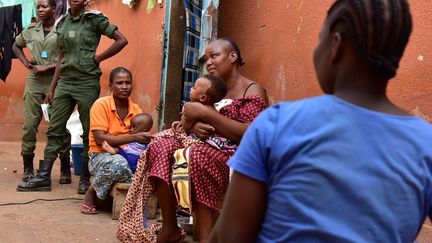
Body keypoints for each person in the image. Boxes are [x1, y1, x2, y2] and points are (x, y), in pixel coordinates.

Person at [210, 1, 432, 242]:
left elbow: (229, 236)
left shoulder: (277, 124)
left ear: (336, 45)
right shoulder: (425, 142)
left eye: (319, 39)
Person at [117, 38, 269, 243]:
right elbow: (187, 121)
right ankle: (170, 227)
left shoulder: (251, 91)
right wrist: (194, 124)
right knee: (161, 146)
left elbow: (252, 135)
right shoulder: (208, 91)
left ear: (233, 57)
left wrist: (206, 114)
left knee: (195, 154)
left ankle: (205, 236)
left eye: (214, 56)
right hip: (204, 147)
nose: (209, 62)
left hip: (236, 157)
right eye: (206, 58)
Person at [17, 0, 128, 193]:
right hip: (65, 82)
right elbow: (61, 57)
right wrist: (53, 87)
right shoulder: (62, 23)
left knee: (89, 131)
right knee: (55, 128)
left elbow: (121, 40)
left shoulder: (95, 20)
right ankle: (44, 177)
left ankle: (85, 179)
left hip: (86, 82)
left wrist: (99, 57)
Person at [12, 0, 71, 184]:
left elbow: (68, 57)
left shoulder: (62, 29)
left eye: (44, 6)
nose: (40, 10)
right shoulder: (31, 30)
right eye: (38, 7)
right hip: (34, 80)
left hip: (57, 79)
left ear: (54, 9)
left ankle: (64, 167)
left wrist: (48, 67)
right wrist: (26, 63)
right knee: (30, 125)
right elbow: (16, 45)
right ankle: (28, 167)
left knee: (59, 125)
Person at [81, 67, 153, 214]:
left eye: (128, 82)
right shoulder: (101, 105)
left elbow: (141, 138)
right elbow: (100, 139)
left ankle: (114, 201)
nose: (124, 86)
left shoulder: (136, 110)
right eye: (119, 83)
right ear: (110, 86)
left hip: (129, 154)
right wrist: (133, 137)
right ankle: (91, 193)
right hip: (100, 155)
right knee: (119, 165)